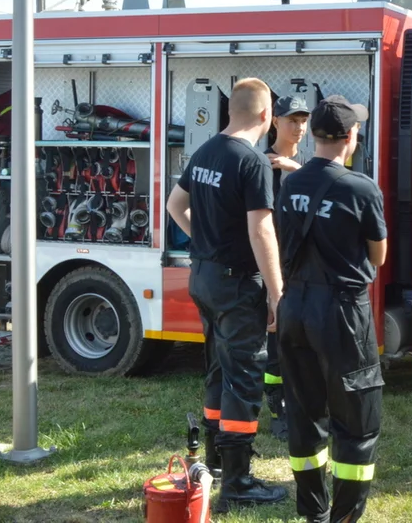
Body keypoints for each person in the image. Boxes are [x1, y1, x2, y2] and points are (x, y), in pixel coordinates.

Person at [165, 78, 288, 511]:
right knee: (244, 376)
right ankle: (238, 482)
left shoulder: (206, 152)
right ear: (266, 116)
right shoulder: (251, 161)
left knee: (218, 370)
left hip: (204, 277)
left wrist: (205, 240)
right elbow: (261, 229)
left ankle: (215, 461)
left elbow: (173, 206)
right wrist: (277, 293)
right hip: (237, 283)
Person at [275, 95, 388, 523]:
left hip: (295, 307)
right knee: (356, 423)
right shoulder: (361, 188)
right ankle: (343, 518)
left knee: (304, 416)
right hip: (341, 313)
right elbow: (378, 256)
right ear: (351, 136)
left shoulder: (291, 184)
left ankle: (313, 512)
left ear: (315, 136)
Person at [262, 94, 311, 441]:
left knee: (301, 343)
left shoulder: (307, 165)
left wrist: (299, 172)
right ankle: (278, 409)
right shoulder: (263, 165)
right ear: (275, 121)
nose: (298, 127)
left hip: (304, 268)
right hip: (273, 268)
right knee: (278, 341)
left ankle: (302, 405)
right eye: (291, 120)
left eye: (303, 121)